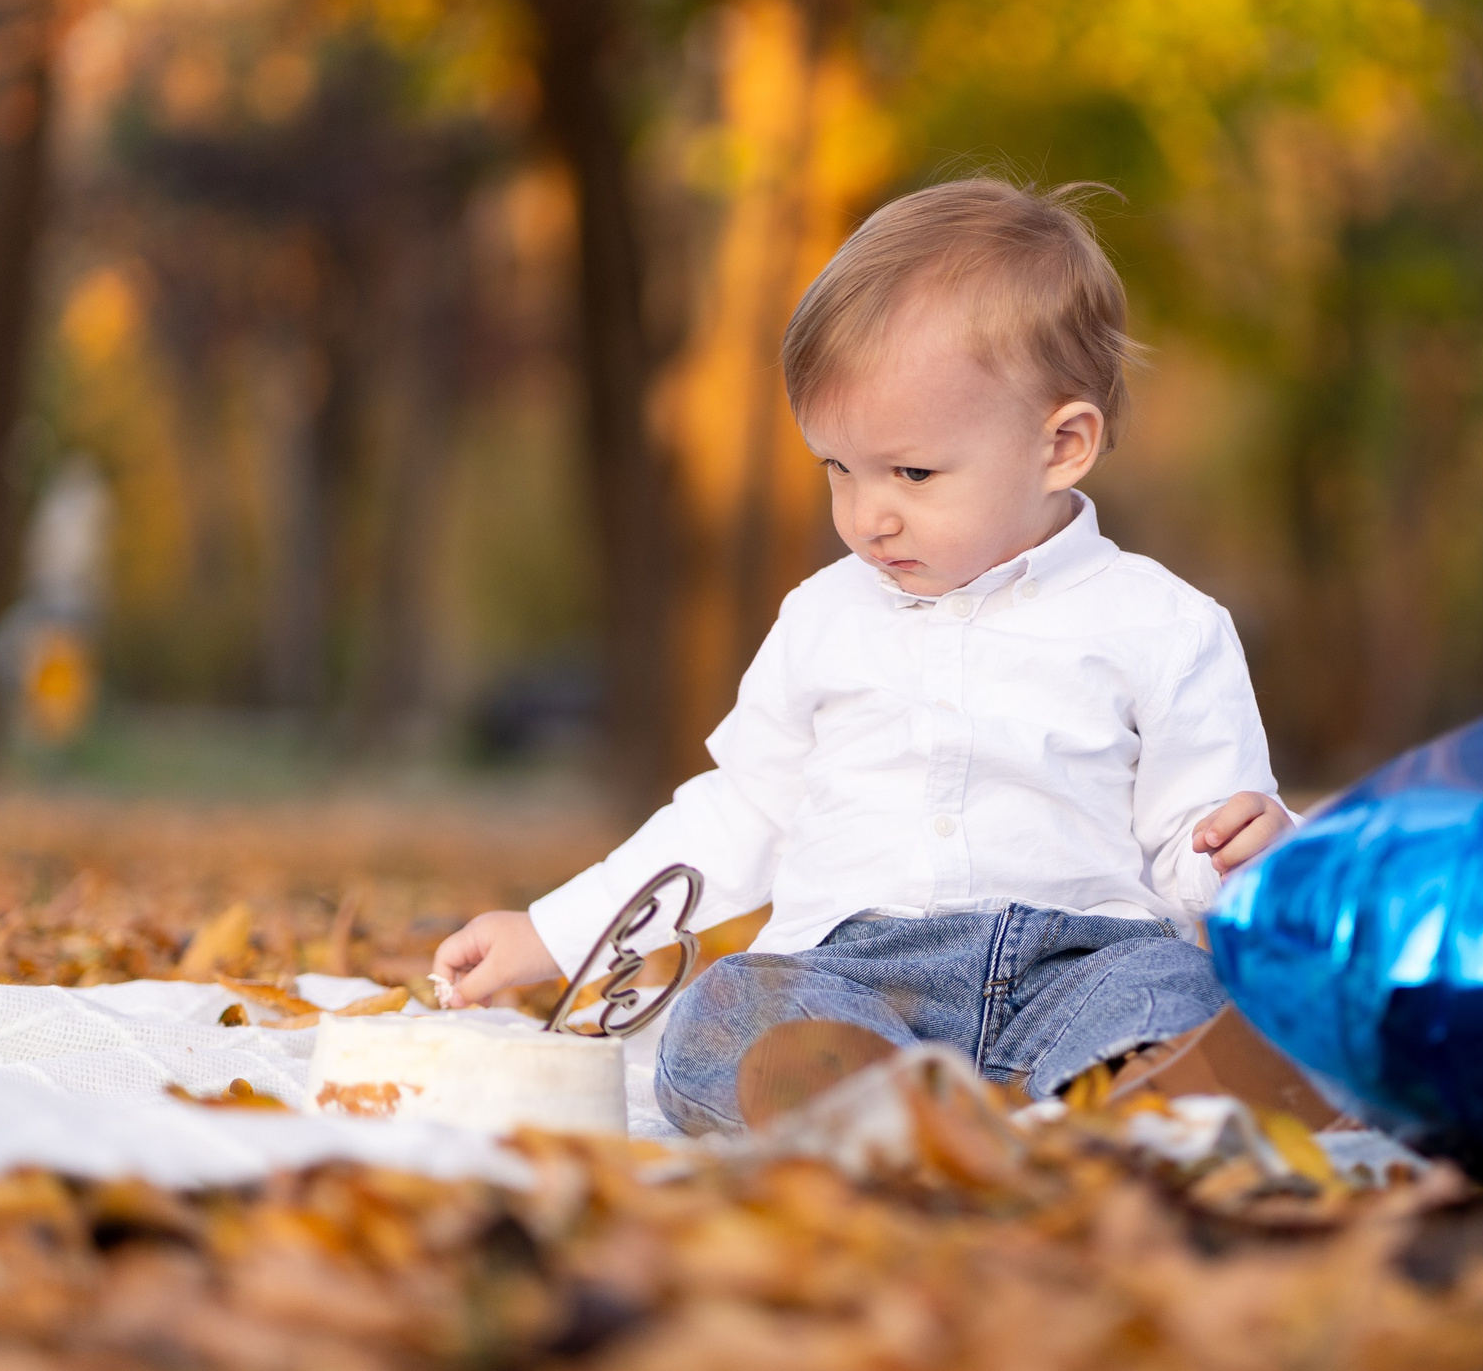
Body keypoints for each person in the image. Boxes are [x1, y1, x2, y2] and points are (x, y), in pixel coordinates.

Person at [430, 177, 1302, 1133]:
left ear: (1061, 446)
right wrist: (554, 932)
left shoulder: (1164, 623)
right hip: (852, 979)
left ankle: (1127, 1097)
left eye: (911, 473)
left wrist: (1251, 859)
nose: (865, 515)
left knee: (1176, 990)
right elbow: (741, 809)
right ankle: (885, 1109)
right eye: (837, 469)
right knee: (726, 1009)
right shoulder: (824, 617)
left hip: (1080, 968)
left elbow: (1197, 837)